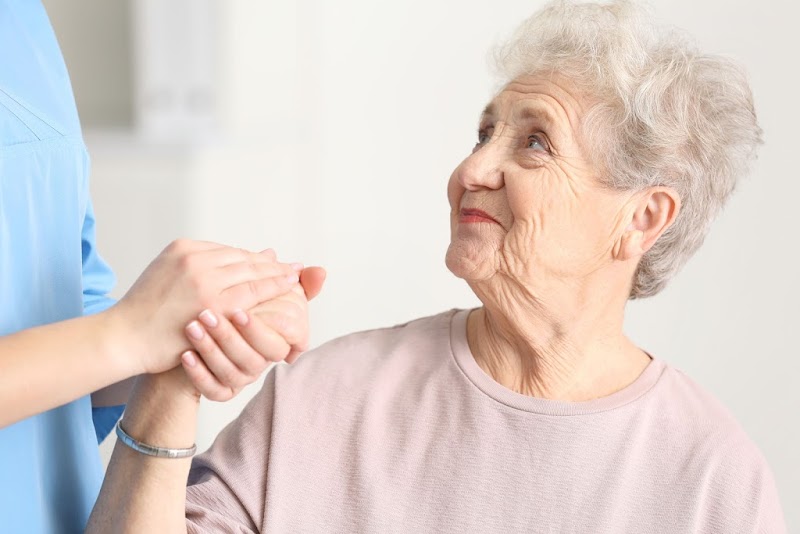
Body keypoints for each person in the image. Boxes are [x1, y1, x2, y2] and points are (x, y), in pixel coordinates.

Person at [88, 1, 787, 532]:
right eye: (485, 132)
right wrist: (176, 380)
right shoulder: (326, 397)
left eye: (535, 143)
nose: (472, 169)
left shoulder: (711, 478)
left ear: (642, 218)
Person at [0, 1, 324, 532]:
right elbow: (110, 336)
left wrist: (202, 330)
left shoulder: (21, 21)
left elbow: (71, 325)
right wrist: (128, 334)